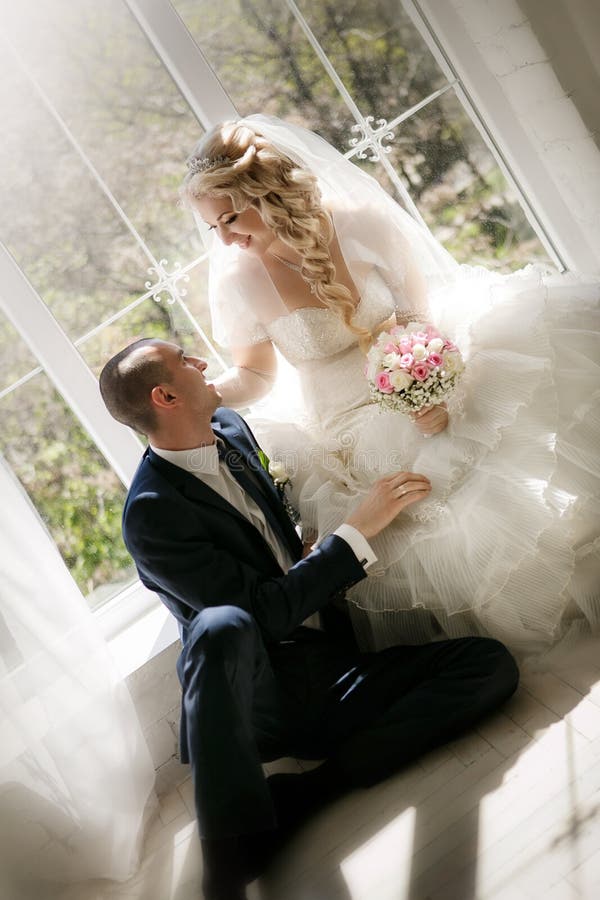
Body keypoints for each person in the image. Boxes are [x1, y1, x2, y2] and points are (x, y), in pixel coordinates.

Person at [99, 338, 518, 900]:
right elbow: (260, 616)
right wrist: (356, 530)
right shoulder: (152, 515)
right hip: (264, 694)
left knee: (488, 666)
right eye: (186, 360)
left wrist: (301, 550)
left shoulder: (230, 429)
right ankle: (226, 858)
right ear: (166, 394)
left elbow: (265, 544)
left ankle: (311, 791)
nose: (202, 361)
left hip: (330, 666)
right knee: (219, 625)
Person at [180, 114, 600, 657]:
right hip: (344, 429)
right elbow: (257, 375)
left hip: (420, 379)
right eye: (214, 228)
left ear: (269, 192)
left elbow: (420, 319)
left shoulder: (363, 223)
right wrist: (205, 394)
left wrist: (433, 391)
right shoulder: (239, 279)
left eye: (231, 218)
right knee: (425, 506)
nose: (227, 239)